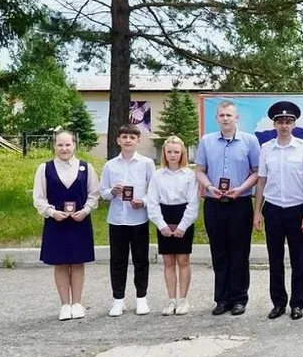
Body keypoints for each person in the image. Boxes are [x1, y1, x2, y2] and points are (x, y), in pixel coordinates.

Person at [194, 100, 261, 317]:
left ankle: (239, 299)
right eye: (222, 115)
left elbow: (257, 172)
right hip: (214, 203)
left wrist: (241, 188)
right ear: (216, 118)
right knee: (219, 252)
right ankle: (221, 299)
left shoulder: (250, 141)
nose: (225, 118)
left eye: (229, 115)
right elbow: (200, 170)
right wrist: (209, 187)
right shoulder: (207, 141)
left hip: (239, 203)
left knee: (240, 253)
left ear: (236, 118)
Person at [254, 101, 303, 321]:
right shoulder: (266, 148)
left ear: (294, 124)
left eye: (288, 121)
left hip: (297, 209)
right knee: (275, 259)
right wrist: (257, 213)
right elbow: (261, 181)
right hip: (273, 210)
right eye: (280, 121)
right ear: (274, 124)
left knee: (299, 260)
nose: (284, 125)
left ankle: (297, 304)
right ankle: (278, 303)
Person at [33, 131, 100, 320]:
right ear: (54, 146)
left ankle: (77, 303)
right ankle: (64, 305)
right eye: (60, 145)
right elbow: (39, 198)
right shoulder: (44, 169)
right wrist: (52, 212)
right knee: (61, 264)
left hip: (80, 222)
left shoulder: (86, 168)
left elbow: (94, 194)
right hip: (56, 223)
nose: (64, 148)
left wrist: (85, 211)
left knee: (78, 263)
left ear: (74, 146)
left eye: (68, 145)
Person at [100, 124, 155, 317]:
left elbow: (153, 190)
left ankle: (141, 298)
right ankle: (118, 300)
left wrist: (144, 201)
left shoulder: (147, 163)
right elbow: (103, 193)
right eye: (124, 137)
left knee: (141, 260)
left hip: (139, 219)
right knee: (118, 261)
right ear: (118, 140)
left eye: (132, 137)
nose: (128, 140)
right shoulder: (110, 165)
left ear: (138, 140)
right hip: (117, 220)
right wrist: (112, 191)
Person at [147, 136, 199, 316]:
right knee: (168, 261)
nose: (173, 155)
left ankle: (183, 299)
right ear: (164, 153)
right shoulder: (157, 175)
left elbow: (193, 203)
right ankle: (171, 299)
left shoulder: (189, 175)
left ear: (182, 153)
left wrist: (183, 226)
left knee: (183, 260)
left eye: (176, 152)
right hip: (164, 216)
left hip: (183, 216)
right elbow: (152, 202)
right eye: (169, 152)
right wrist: (161, 225)